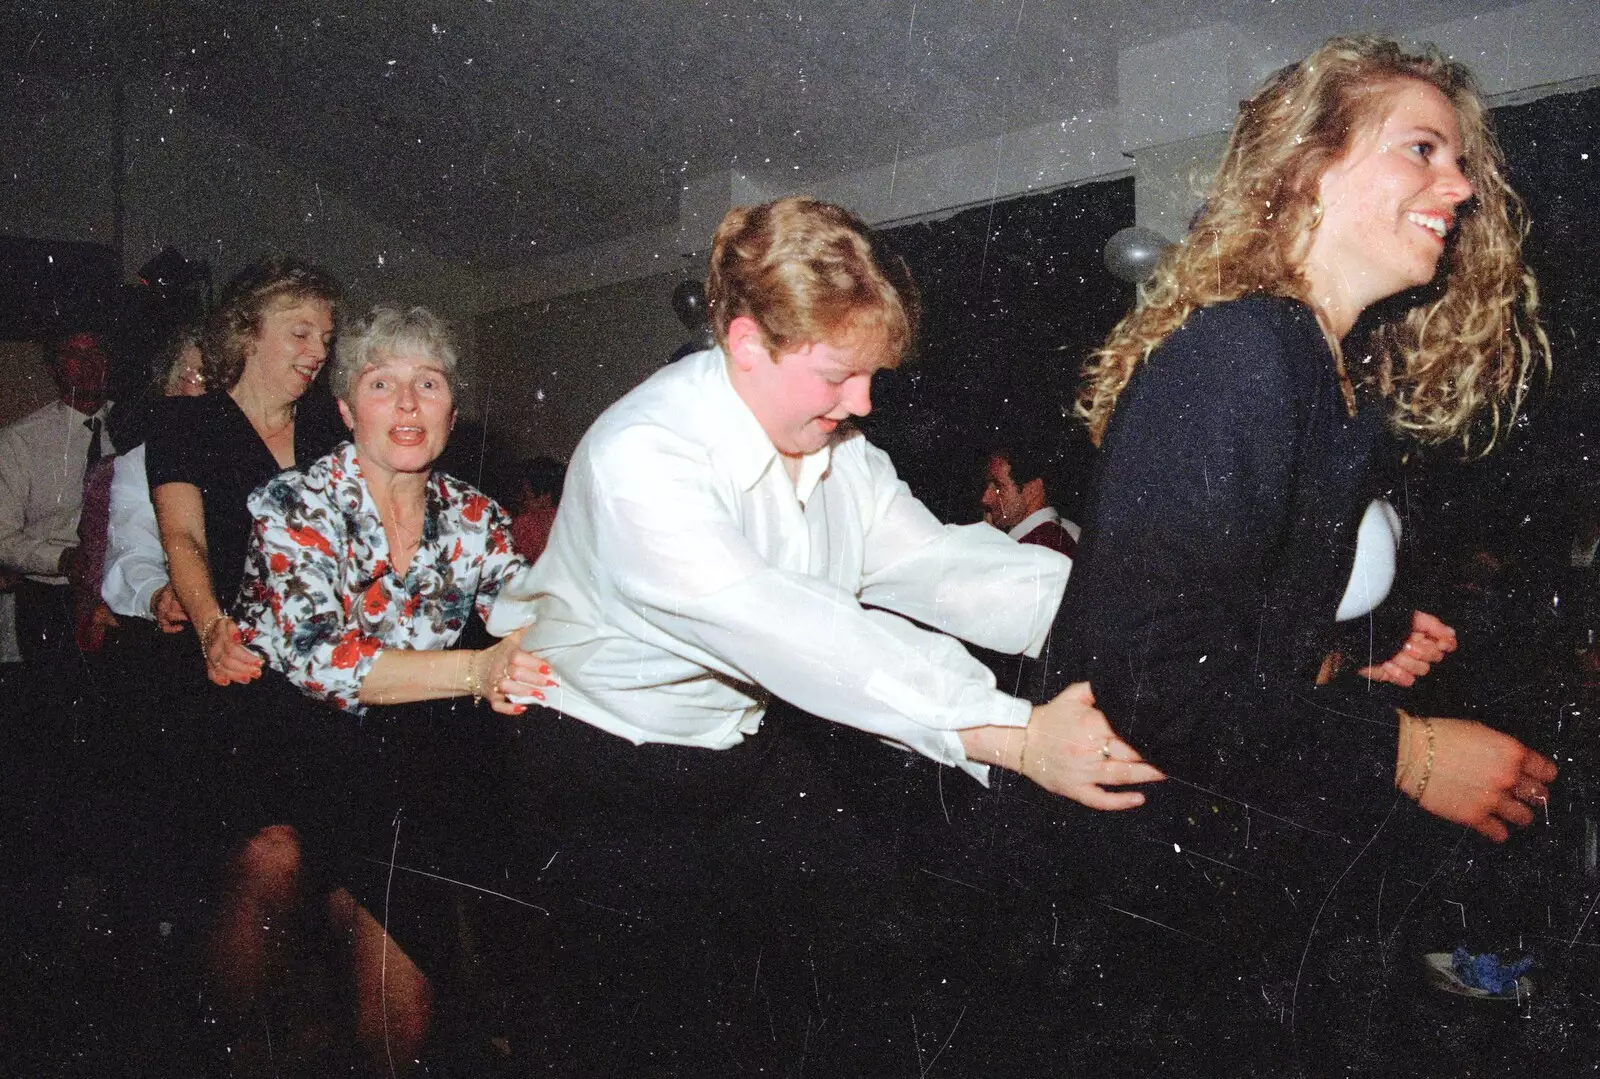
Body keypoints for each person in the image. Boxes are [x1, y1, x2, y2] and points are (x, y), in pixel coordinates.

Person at [486, 196, 1161, 1071]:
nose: (865, 402)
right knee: (654, 1033)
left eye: (874, 374)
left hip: (740, 746)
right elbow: (803, 633)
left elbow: (945, 566)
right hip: (601, 767)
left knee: (874, 955)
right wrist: (1020, 736)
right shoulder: (639, 462)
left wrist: (1147, 610)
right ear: (744, 344)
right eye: (839, 375)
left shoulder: (836, 448)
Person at [1025, 35, 1558, 1072]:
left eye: (1457, 161)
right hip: (1125, 895)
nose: (1456, 185)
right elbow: (1152, 676)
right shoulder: (1242, 351)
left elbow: (1248, 627)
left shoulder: (1333, 377)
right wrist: (1407, 751)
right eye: (1422, 150)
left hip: (1196, 872)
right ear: (1308, 166)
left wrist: (1368, 636)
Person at [228, 304, 550, 1073]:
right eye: (382, 383)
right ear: (345, 409)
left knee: (402, 1014)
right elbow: (318, 656)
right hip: (285, 738)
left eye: (428, 383)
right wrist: (478, 669)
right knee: (269, 890)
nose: (407, 403)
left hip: (408, 757)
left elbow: (537, 608)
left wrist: (530, 645)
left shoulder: (476, 517)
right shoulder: (294, 505)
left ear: (450, 408)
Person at [0, 329, 115, 682]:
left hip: (119, 594)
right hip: (53, 600)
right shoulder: (21, 439)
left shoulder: (136, 426)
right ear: (54, 367)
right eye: (73, 355)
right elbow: (3, 538)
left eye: (95, 353)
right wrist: (63, 560)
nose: (86, 365)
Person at [981, 441, 1080, 556]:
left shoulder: (1040, 546)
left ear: (1032, 490)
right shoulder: (1065, 531)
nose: (985, 499)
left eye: (999, 487)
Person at [509, 454, 565, 562]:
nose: (520, 499)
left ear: (545, 496)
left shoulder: (525, 524)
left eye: (525, 494)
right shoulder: (569, 518)